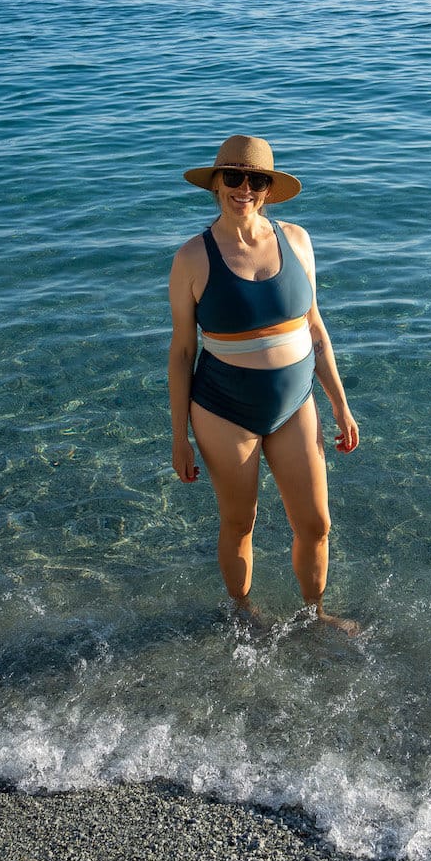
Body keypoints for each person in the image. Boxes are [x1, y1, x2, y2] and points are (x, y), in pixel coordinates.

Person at [167, 135, 359, 626]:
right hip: (222, 409)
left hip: (296, 402)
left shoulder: (296, 239)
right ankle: (242, 613)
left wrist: (339, 402)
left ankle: (316, 615)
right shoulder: (193, 257)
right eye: (234, 178)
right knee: (240, 522)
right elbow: (183, 350)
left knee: (316, 524)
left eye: (256, 180)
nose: (244, 188)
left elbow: (316, 328)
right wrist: (178, 438)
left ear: (268, 189)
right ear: (216, 184)